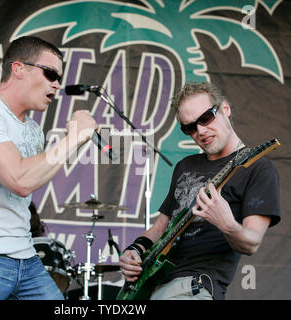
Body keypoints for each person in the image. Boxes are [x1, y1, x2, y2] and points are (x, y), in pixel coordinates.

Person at [0, 36, 98, 300]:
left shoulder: (34, 130)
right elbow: (19, 179)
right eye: (50, 73)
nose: (56, 84)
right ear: (18, 69)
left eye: (59, 77)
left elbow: (27, 186)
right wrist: (73, 139)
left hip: (26, 258)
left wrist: (69, 142)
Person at [119, 81, 281, 300]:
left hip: (193, 287)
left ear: (225, 109)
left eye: (206, 118)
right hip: (152, 285)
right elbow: (160, 227)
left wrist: (226, 223)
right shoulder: (185, 166)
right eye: (190, 127)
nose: (201, 131)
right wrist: (135, 251)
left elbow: (251, 242)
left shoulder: (258, 167)